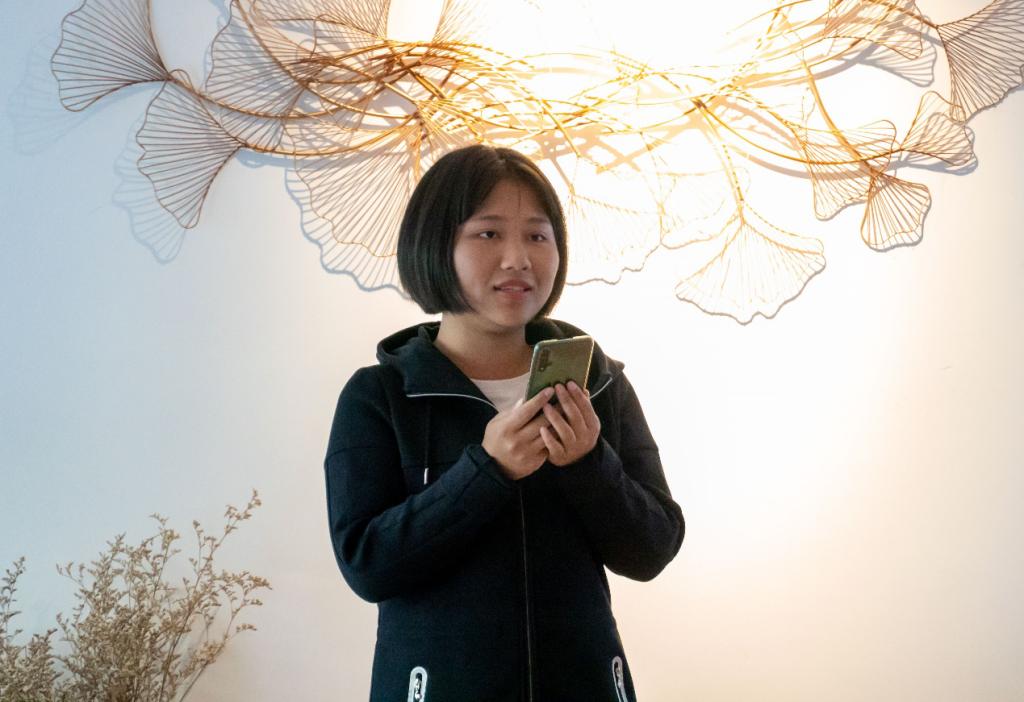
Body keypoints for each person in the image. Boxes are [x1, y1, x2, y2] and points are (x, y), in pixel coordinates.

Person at [324, 144, 684, 701]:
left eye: (538, 236)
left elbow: (652, 549)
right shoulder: (381, 396)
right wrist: (486, 472)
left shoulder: (597, 382)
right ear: (435, 245)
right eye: (488, 233)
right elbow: (368, 566)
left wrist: (589, 464)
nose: (518, 258)